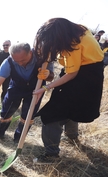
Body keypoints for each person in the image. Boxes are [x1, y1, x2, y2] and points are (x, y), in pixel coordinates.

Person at [32, 18, 104, 164]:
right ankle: (72, 135)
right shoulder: (80, 30)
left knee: (52, 115)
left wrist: (45, 88)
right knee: (71, 107)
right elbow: (67, 63)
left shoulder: (73, 44)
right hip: (93, 76)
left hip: (81, 79)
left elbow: (71, 74)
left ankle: (51, 155)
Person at [0, 42, 54, 143]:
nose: (20, 64)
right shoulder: (8, 62)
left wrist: (47, 74)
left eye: (23, 60)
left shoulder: (43, 59)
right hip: (16, 89)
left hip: (35, 91)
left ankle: (19, 139)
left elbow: (51, 78)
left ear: (30, 53)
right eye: (16, 61)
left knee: (28, 115)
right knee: (6, 112)